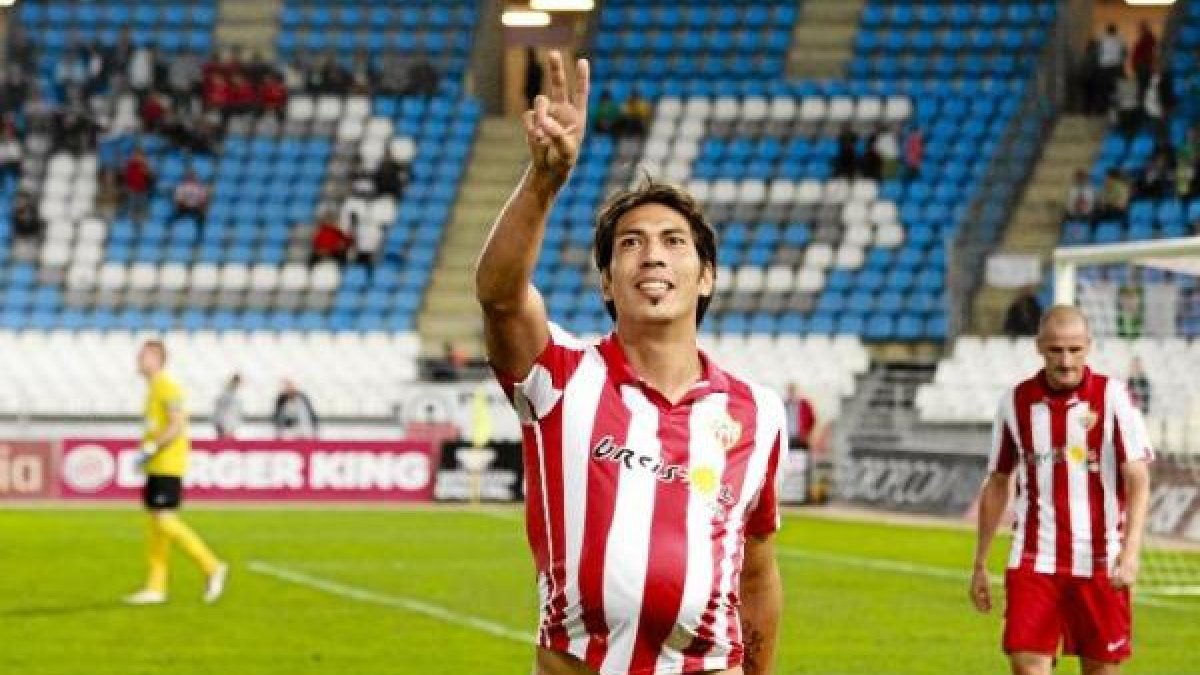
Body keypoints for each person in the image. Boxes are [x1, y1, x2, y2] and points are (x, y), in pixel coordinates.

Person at [475, 52, 784, 675]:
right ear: (608, 283)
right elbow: (501, 297)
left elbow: (756, 571)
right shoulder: (562, 375)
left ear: (705, 277)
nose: (653, 255)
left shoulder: (758, 412)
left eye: (674, 242)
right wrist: (544, 181)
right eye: (630, 243)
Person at [970, 306, 1152, 675]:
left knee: (1101, 670)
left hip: (1100, 561)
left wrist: (1131, 552)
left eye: (1074, 350)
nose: (1066, 361)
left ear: (1088, 346)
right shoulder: (1015, 402)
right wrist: (980, 563)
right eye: (1055, 350)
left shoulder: (1113, 397)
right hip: (1034, 559)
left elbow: (1138, 477)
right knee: (1026, 666)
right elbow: (998, 481)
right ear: (1039, 347)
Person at [125, 340, 228, 605]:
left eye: (144, 356)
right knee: (155, 527)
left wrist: (151, 448)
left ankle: (212, 565)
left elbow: (176, 424)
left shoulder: (167, 387)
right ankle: (155, 587)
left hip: (169, 464)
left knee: (164, 520)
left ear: (157, 360)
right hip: (157, 464)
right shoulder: (153, 389)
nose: (139, 361)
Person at [1097, 24, 1126, 110]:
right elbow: (1125, 53)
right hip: (1116, 67)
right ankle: (1115, 108)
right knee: (1116, 89)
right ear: (1115, 31)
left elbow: (1099, 53)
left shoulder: (1102, 40)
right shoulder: (1120, 40)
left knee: (1104, 89)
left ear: (1107, 31)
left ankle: (1104, 107)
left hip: (1105, 67)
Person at [122, 147, 155, 224]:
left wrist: (146, 170)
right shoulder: (129, 164)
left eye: (139, 156)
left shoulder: (146, 165)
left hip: (143, 189)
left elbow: (151, 177)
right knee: (131, 207)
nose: (137, 157)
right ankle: (131, 222)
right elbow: (125, 176)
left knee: (143, 206)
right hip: (131, 190)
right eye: (135, 155)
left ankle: (143, 222)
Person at [784, 384, 817, 451]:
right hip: (787, 437)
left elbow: (812, 420)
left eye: (793, 390)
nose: (791, 393)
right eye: (790, 391)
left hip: (801, 438)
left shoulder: (804, 404)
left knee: (801, 454)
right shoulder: (784, 405)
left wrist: (807, 434)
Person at [212, 373, 243, 439]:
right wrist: (221, 426)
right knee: (224, 440)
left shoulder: (235, 394)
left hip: (228, 424)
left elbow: (235, 411)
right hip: (223, 424)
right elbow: (219, 408)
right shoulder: (226, 393)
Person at [1131, 22, 1156, 101]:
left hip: (1143, 65)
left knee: (1142, 87)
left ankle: (1141, 102)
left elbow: (1149, 53)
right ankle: (1141, 102)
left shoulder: (1148, 38)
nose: (1139, 30)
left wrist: (1150, 65)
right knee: (1142, 87)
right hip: (1143, 65)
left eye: (1140, 28)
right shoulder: (1147, 38)